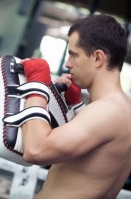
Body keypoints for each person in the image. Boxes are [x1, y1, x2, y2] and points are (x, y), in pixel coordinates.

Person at [19, 14, 131, 198]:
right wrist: (73, 106)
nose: (67, 64)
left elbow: (36, 150)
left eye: (73, 54)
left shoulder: (107, 111)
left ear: (98, 58)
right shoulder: (123, 109)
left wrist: (37, 87)